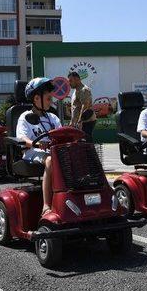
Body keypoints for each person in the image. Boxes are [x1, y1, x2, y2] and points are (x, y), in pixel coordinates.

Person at [16, 77, 62, 215]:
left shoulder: (53, 118)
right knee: (50, 160)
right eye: (48, 98)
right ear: (36, 98)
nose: (51, 101)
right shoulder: (25, 117)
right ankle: (46, 206)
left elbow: (61, 133)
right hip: (32, 153)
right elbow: (22, 138)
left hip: (52, 151)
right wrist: (35, 143)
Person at [68, 71, 97, 143]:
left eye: (71, 80)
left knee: (86, 143)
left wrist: (80, 121)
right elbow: (75, 108)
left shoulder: (84, 90)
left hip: (86, 121)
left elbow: (85, 105)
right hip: (79, 123)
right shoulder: (76, 91)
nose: (69, 83)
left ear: (77, 79)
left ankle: (92, 154)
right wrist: (72, 122)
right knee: (81, 144)